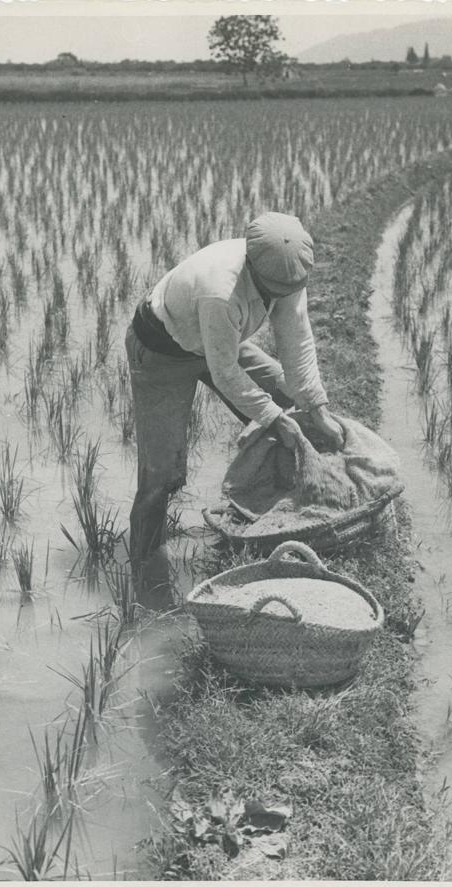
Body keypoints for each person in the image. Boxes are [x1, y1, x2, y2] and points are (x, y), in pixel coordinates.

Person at [125, 211, 343, 600]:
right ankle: (145, 572)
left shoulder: (287, 273)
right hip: (162, 350)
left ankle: (278, 517)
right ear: (253, 268)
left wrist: (315, 407)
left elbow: (297, 339)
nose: (280, 295)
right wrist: (274, 420)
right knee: (162, 473)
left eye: (285, 289)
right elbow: (224, 372)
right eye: (271, 289)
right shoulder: (220, 290)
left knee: (288, 403)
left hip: (220, 339)